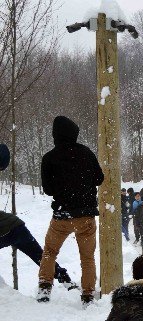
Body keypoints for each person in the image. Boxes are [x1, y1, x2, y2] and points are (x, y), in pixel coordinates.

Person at [38, 116, 104, 305]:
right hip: (85, 216)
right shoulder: (86, 153)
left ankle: (44, 287)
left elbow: (48, 189)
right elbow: (99, 179)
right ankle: (88, 295)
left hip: (62, 216)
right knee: (87, 257)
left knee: (50, 251)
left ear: (55, 135)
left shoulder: (49, 158)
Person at [0, 210, 75, 290]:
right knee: (38, 255)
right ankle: (64, 277)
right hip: (19, 227)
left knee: (38, 255)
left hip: (9, 231)